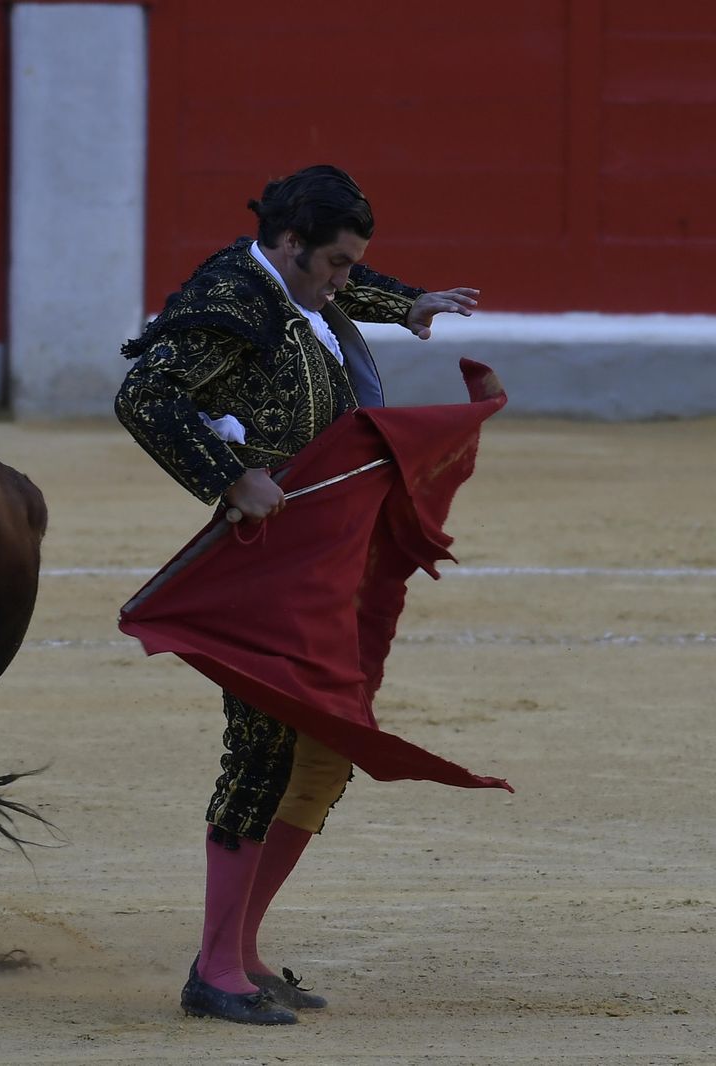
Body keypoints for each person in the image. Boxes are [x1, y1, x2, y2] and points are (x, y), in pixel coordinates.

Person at [113, 164, 478, 1025]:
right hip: (264, 563)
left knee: (321, 748)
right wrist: (229, 475)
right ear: (288, 243)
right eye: (338, 263)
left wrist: (408, 302)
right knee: (264, 748)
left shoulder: (289, 282)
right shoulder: (232, 299)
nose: (346, 279)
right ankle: (214, 970)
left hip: (318, 556)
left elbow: (339, 285)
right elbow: (144, 395)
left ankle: (239, 951)